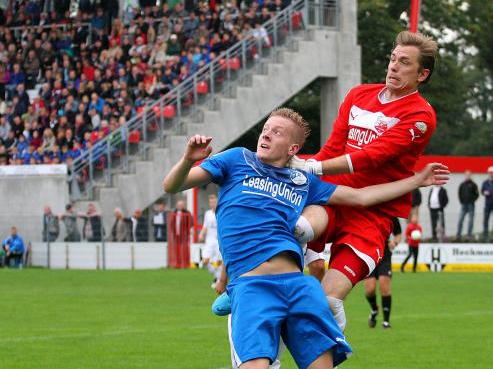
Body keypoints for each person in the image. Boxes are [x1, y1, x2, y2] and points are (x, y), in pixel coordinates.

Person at [163, 109, 447, 369]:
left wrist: (416, 180)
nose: (266, 133)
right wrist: (188, 159)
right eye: (266, 128)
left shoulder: (301, 180)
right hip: (252, 287)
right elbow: (172, 185)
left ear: (293, 149)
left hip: (299, 286)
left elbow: (361, 198)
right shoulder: (236, 159)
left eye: (277, 132)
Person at [288, 31, 439, 332]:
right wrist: (305, 172)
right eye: (393, 59)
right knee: (295, 230)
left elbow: (370, 156)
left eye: (404, 62)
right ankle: (237, 285)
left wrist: (309, 167)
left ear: (422, 74)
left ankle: (330, 345)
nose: (393, 66)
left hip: (372, 215)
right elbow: (332, 149)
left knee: (327, 300)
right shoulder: (358, 95)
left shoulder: (421, 116)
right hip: (332, 198)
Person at [364, 217, 402, 329]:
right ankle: (374, 309)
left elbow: (398, 234)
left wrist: (395, 242)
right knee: (369, 290)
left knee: (384, 287)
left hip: (384, 255)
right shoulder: (368, 211)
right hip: (369, 254)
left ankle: (386, 322)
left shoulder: (390, 214)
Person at [198, 194, 222, 288]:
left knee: (219, 262)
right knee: (205, 261)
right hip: (209, 240)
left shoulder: (221, 212)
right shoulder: (207, 213)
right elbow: (205, 226)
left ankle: (218, 280)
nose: (212, 203)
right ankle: (216, 276)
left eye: (214, 201)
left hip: (218, 241)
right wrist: (201, 234)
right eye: (210, 202)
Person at [456, 170, 479, 241]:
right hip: (463, 205)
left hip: (471, 205)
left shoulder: (474, 185)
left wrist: (472, 200)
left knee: (470, 221)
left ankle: (468, 236)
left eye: (469, 175)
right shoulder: (462, 185)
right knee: (460, 220)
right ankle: (458, 236)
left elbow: (477, 194)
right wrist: (462, 201)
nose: (467, 176)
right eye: (466, 175)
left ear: (470, 176)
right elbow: (459, 194)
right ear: (464, 176)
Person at [482, 166, 493, 242]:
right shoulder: (485, 182)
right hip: (488, 204)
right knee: (486, 220)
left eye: (492, 173)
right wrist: (484, 193)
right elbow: (482, 191)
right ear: (488, 173)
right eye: (490, 172)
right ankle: (485, 236)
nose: (491, 174)